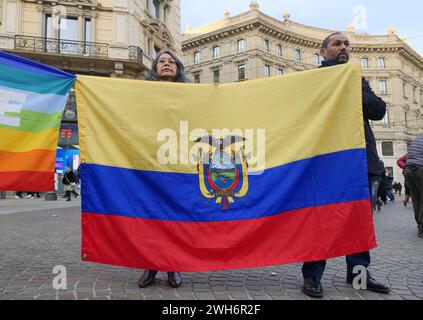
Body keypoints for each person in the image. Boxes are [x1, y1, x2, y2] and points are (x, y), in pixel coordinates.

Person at [301, 32, 390, 298]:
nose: (343, 48)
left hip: (359, 158)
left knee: (359, 219)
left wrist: (348, 90)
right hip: (325, 159)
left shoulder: (356, 79)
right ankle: (313, 276)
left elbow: (378, 109)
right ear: (323, 51)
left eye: (346, 44)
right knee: (320, 217)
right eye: (337, 43)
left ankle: (359, 275)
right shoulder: (313, 79)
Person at [137, 50, 191, 290]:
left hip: (179, 164)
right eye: (162, 61)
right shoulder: (142, 94)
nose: (167, 65)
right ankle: (150, 265)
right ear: (154, 68)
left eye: (172, 62)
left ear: (178, 68)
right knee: (151, 217)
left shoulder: (191, 95)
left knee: (173, 218)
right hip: (150, 162)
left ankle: (172, 266)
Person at [403, 135, 423, 239]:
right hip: (420, 168)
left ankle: (420, 226)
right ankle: (422, 228)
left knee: (416, 200)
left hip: (408, 169)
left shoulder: (417, 138)